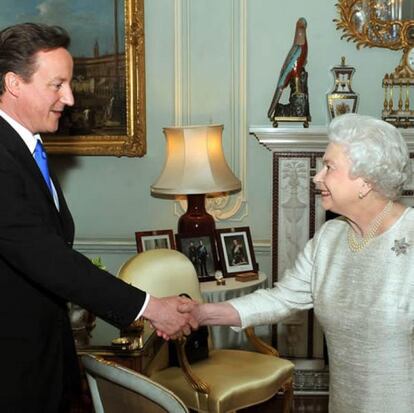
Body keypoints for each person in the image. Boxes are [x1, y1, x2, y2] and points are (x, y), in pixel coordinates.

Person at [0, 23, 196, 412]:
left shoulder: (27, 148)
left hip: (41, 360)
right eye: (57, 85)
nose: (69, 98)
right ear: (13, 83)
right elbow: (47, 258)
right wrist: (151, 307)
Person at [179, 113, 414, 413]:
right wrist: (202, 313)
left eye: (329, 167)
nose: (317, 177)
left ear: (365, 182)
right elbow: (281, 299)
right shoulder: (330, 238)